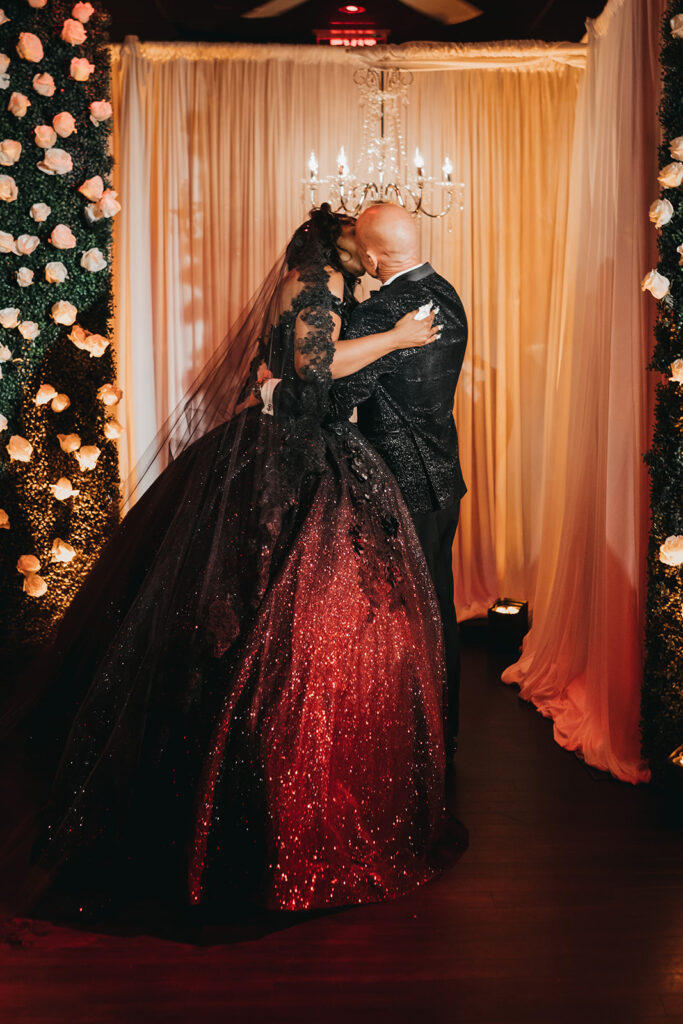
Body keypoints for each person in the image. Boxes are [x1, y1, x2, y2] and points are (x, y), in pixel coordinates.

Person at [0, 205, 465, 924]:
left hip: (295, 446)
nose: (366, 269)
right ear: (344, 251)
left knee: (269, 603)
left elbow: (284, 368)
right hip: (295, 456)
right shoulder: (316, 288)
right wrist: (384, 342)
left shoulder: (312, 286)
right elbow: (312, 371)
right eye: (360, 253)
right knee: (285, 606)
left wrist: (283, 380)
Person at [329, 204, 468, 760]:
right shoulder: (447, 291)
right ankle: (444, 729)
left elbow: (335, 399)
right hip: (444, 478)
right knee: (439, 606)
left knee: (401, 616)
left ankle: (414, 736)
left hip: (399, 487)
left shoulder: (381, 314)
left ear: (369, 257)